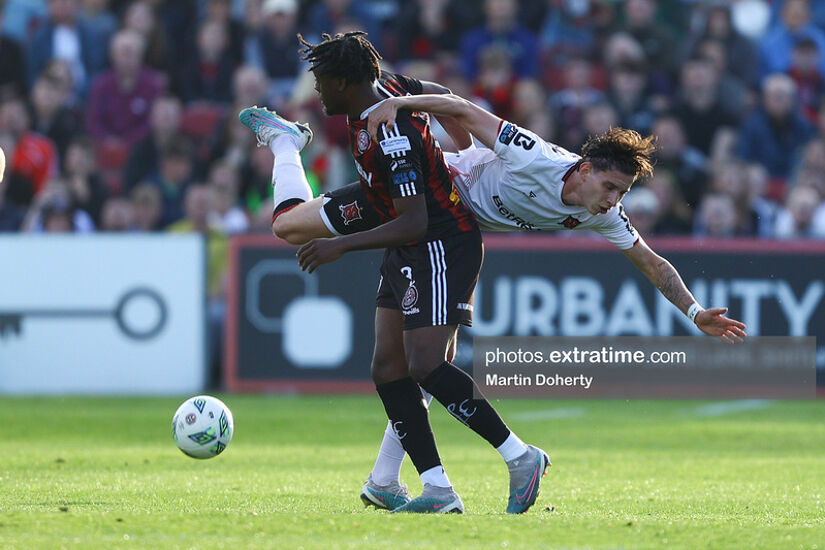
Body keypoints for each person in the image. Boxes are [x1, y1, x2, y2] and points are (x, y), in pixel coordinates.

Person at [239, 31, 549, 515]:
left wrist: (339, 246)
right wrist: (459, 147)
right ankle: (435, 488)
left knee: (426, 363)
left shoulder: (391, 136)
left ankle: (520, 456)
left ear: (344, 81)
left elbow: (415, 220)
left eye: (321, 81)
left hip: (439, 242)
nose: (316, 92)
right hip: (394, 222)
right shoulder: (385, 87)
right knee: (388, 366)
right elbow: (445, 98)